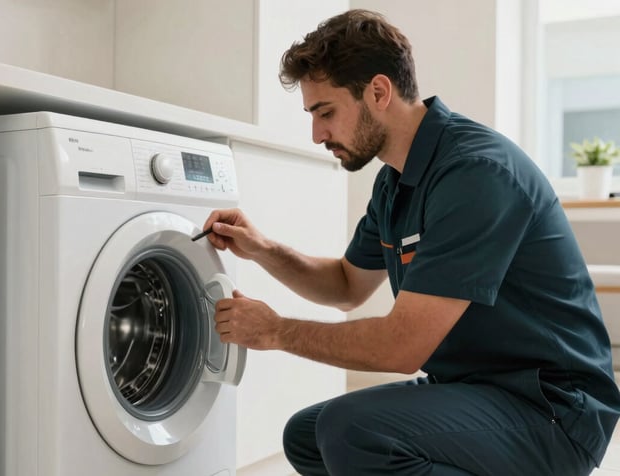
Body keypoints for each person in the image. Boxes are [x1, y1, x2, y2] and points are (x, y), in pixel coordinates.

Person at [202, 9, 620, 476]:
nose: (317, 133)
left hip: (551, 411)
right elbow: (345, 285)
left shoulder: (476, 173)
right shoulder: (394, 182)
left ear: (379, 92)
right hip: (479, 389)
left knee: (351, 430)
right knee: (307, 436)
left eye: (326, 112)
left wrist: (276, 331)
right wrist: (262, 248)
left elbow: (401, 349)